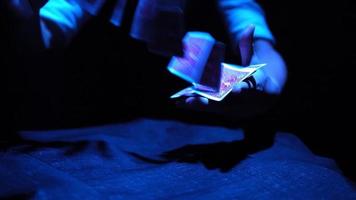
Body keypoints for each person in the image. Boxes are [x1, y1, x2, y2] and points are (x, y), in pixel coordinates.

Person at [1, 0, 355, 199]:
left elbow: (263, 49)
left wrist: (265, 82)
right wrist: (22, 16)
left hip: (207, 138)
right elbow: (41, 38)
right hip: (96, 137)